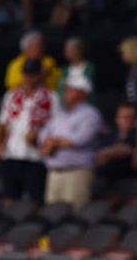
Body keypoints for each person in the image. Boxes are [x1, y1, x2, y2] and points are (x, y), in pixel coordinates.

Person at [0, 58, 53, 203]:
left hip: (35, 156)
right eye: (26, 74)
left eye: (32, 74)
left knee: (36, 198)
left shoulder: (50, 97)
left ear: (40, 75)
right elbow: (2, 123)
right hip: (11, 153)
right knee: (9, 196)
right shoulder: (11, 95)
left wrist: (39, 133)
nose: (28, 78)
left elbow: (56, 125)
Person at [38, 75, 102, 208]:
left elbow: (78, 140)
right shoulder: (60, 114)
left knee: (74, 217)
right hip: (54, 172)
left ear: (83, 93)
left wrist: (52, 143)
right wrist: (51, 142)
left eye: (70, 89)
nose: (65, 93)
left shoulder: (91, 114)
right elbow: (43, 135)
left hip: (77, 172)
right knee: (50, 215)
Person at [94, 103, 137, 188]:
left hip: (128, 180)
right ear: (117, 119)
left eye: (131, 117)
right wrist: (113, 151)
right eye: (124, 117)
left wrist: (108, 153)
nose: (127, 120)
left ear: (136, 120)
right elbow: (98, 159)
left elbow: (135, 163)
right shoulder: (108, 137)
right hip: (104, 179)